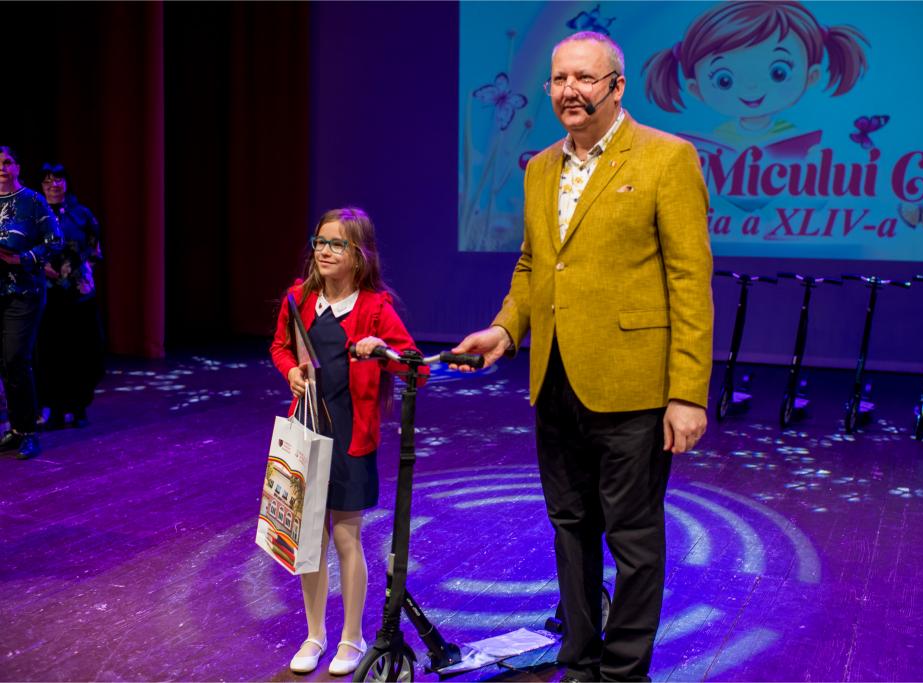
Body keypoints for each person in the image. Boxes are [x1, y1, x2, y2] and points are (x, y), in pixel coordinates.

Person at [452, 32, 713, 681]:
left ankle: (623, 674)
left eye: (585, 78)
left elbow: (689, 281)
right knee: (570, 526)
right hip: (556, 381)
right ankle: (579, 662)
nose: (569, 90)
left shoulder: (667, 158)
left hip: (633, 386)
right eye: (559, 78)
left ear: (617, 87)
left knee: (633, 538)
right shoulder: (540, 167)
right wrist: (506, 330)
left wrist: (687, 393)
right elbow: (535, 265)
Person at [270, 207, 424, 676]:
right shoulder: (299, 298)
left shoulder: (375, 308)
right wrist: (290, 371)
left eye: (336, 244)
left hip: (350, 437)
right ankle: (315, 634)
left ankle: (351, 638)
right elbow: (280, 346)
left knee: (345, 536)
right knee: (308, 539)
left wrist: (380, 351)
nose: (324, 251)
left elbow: (415, 366)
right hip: (307, 433)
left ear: (359, 255)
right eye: (320, 241)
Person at [642, 0, 868, 150]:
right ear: (696, 89)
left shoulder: (795, 138)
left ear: (811, 76)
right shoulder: (716, 139)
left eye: (778, 73)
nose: (751, 87)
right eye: (724, 80)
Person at [0, 146, 63, 460]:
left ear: (17, 167)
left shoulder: (33, 200)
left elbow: (55, 241)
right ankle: (16, 429)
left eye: (6, 162)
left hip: (23, 293)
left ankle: (28, 431)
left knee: (16, 359)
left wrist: (22, 258)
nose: (1, 167)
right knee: (4, 363)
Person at [35, 162, 105, 429]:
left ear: (66, 182)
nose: (54, 185)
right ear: (41, 186)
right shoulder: (34, 214)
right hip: (47, 294)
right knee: (51, 353)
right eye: (47, 181)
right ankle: (54, 408)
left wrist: (78, 271)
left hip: (79, 294)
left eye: (58, 179)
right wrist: (41, 266)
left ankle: (78, 407)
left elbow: (95, 249)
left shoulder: (81, 214)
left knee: (83, 351)